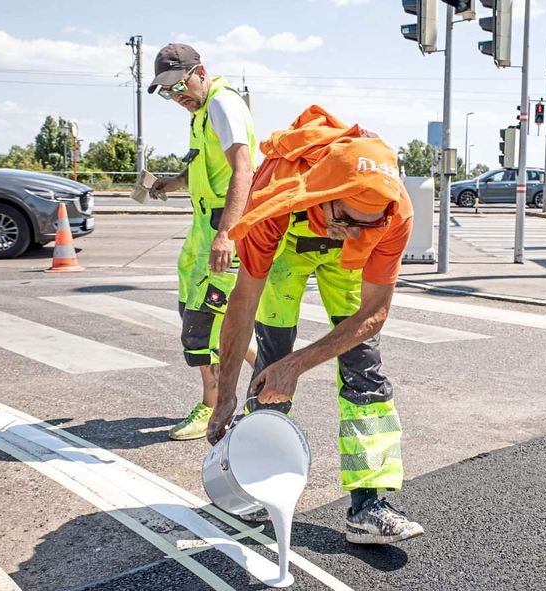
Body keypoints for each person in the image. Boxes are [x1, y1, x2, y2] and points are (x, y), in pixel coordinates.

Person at [206, 105, 424, 545]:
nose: (352, 232)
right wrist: (225, 392)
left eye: (369, 224)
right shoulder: (273, 195)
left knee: (365, 369)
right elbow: (244, 302)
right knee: (273, 361)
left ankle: (369, 506)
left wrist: (302, 364)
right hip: (289, 247)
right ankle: (253, 487)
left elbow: (374, 312)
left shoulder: (392, 211)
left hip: (345, 267)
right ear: (322, 194)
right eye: (343, 219)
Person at [147, 43, 257, 440]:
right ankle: (265, 376)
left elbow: (242, 172)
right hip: (203, 229)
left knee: (203, 321)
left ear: (200, 72)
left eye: (180, 85)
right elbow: (202, 164)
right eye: (168, 92)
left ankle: (211, 406)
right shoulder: (201, 111)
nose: (178, 96)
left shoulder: (222, 105)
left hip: (222, 228)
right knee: (213, 313)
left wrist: (226, 234)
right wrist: (170, 183)